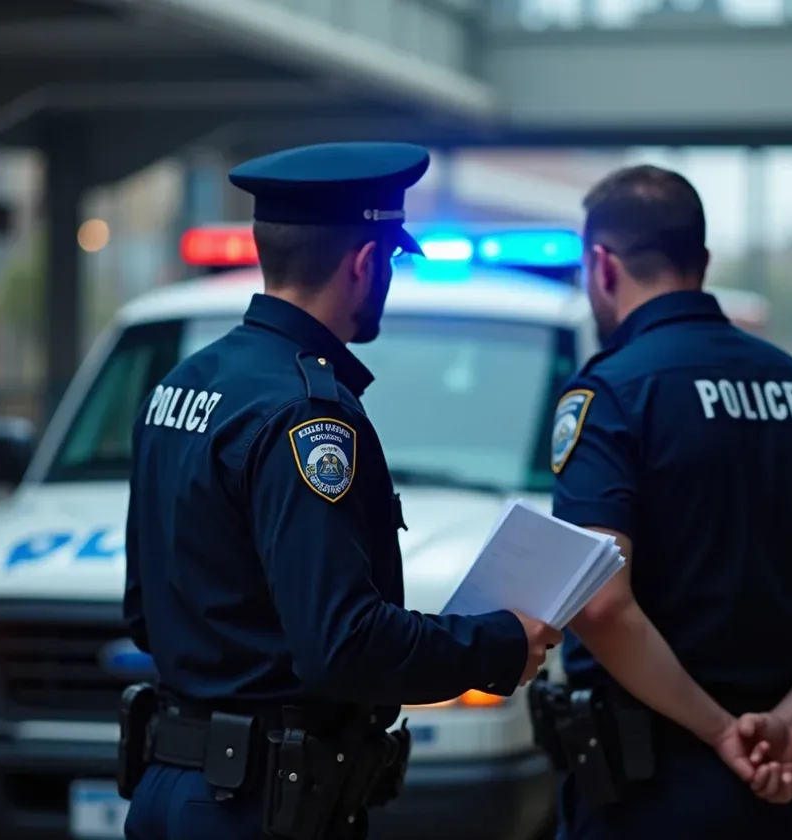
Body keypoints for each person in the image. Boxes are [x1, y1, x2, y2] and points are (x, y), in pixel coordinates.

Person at [119, 142, 562, 840]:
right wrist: (499, 645)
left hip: (171, 786)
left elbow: (146, 611)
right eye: (389, 259)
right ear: (364, 262)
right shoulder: (310, 413)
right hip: (258, 806)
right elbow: (342, 643)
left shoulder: (184, 384)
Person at [540, 165, 792, 839]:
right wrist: (787, 723)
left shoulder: (611, 396)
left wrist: (720, 732)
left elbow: (600, 600)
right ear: (703, 262)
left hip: (643, 796)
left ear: (601, 265)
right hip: (780, 783)